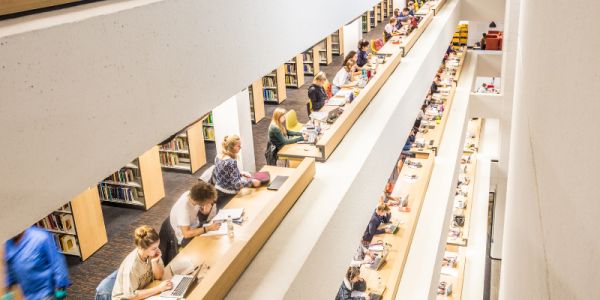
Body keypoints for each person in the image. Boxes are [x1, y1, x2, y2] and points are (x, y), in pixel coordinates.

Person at [3, 227, 71, 300]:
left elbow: (57, 262)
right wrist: (8, 290)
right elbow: (11, 268)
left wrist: (61, 286)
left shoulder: (41, 237)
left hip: (47, 293)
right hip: (29, 296)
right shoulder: (9, 244)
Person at [112, 226, 172, 300]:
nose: (158, 250)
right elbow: (131, 296)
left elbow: (158, 277)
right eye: (154, 248)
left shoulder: (151, 254)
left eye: (157, 246)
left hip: (144, 290)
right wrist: (159, 288)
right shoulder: (132, 266)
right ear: (141, 248)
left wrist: (154, 262)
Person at [214, 135, 260, 209]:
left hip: (218, 192)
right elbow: (237, 185)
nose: (240, 147)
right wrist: (252, 182)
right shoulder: (231, 162)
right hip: (228, 195)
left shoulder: (218, 156)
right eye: (238, 146)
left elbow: (223, 173)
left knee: (221, 214)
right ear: (232, 147)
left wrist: (240, 173)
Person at [170, 181, 220, 246]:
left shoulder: (192, 195)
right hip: (185, 237)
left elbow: (197, 208)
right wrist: (208, 228)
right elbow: (186, 234)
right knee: (209, 245)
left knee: (216, 235)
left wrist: (203, 209)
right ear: (200, 201)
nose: (209, 203)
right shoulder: (183, 208)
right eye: (207, 202)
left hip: (195, 226)